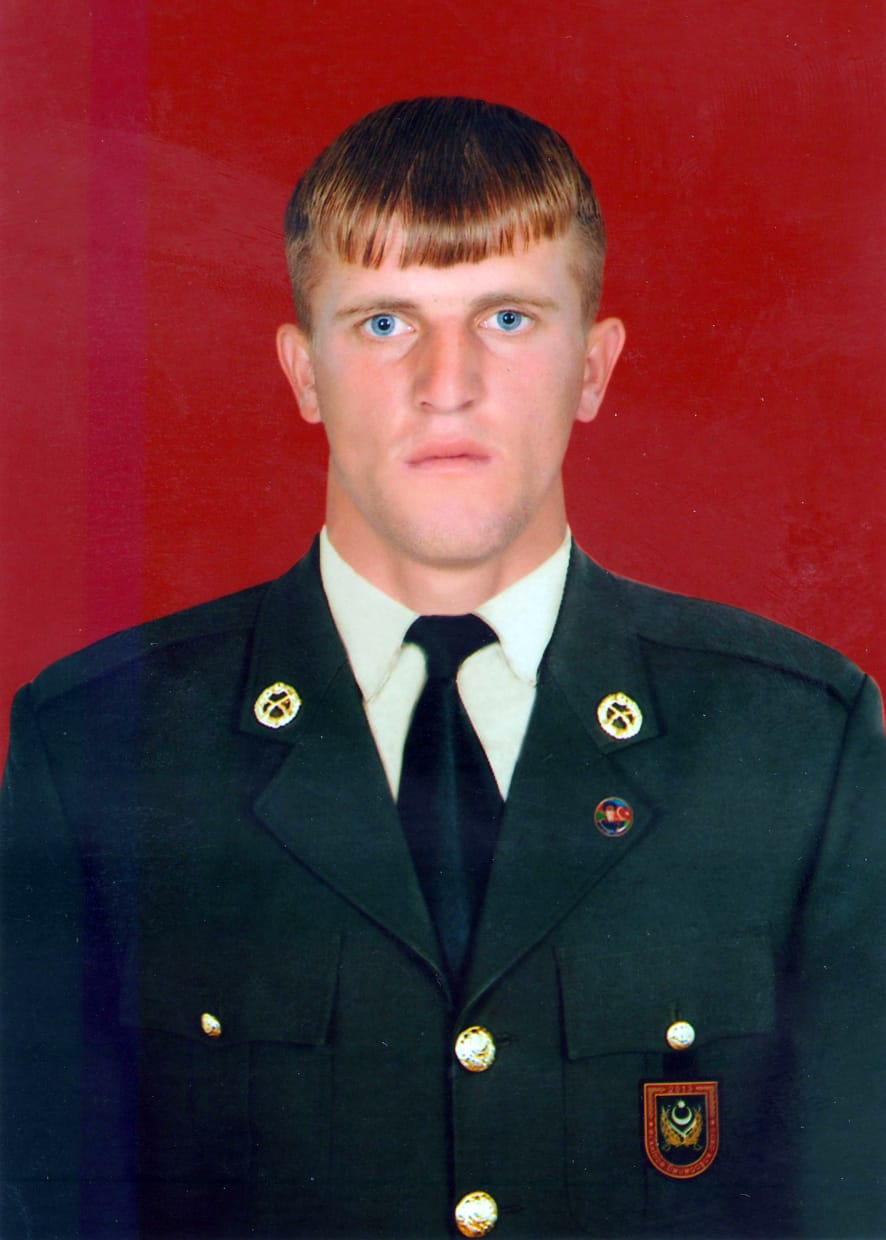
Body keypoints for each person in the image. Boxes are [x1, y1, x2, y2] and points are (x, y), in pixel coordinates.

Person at [1, 96, 883, 1240]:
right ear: (303, 371)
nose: (447, 382)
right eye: (384, 323)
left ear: (593, 366)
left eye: (508, 317)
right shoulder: (104, 748)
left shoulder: (790, 747)